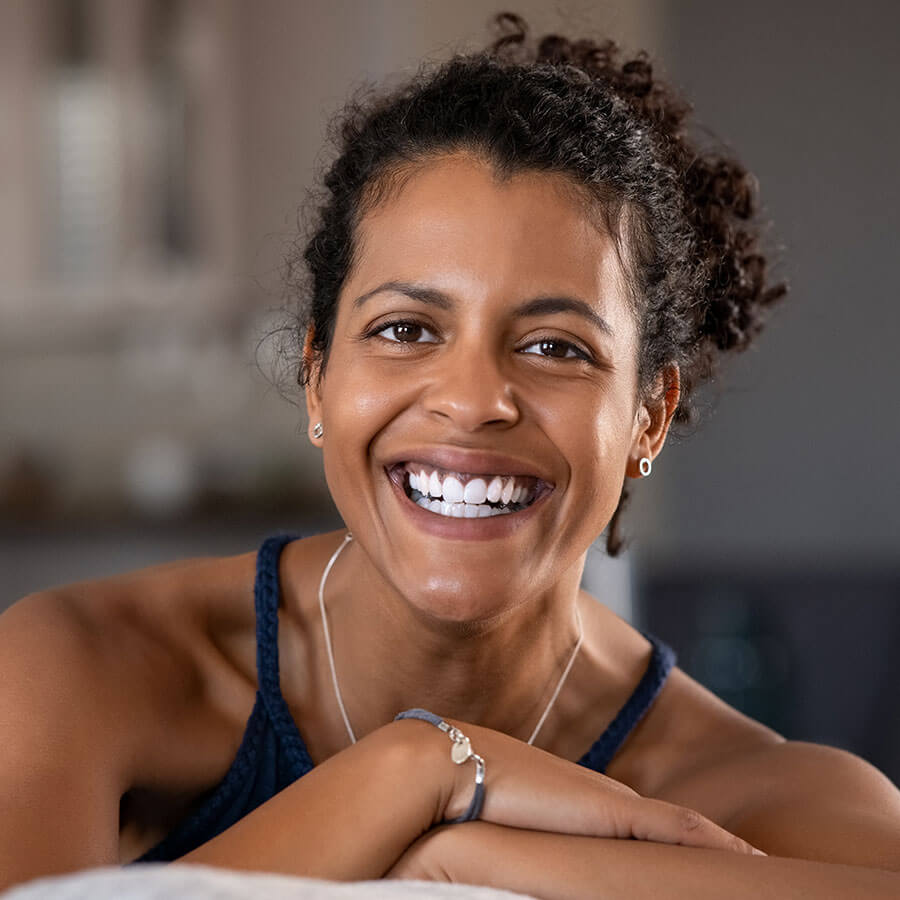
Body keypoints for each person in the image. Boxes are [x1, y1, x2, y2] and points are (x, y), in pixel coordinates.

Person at [2, 13, 898, 899]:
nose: (472, 402)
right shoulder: (78, 670)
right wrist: (411, 770)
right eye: (406, 329)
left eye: (555, 346)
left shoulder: (764, 798)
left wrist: (458, 860)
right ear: (317, 376)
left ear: (648, 419)